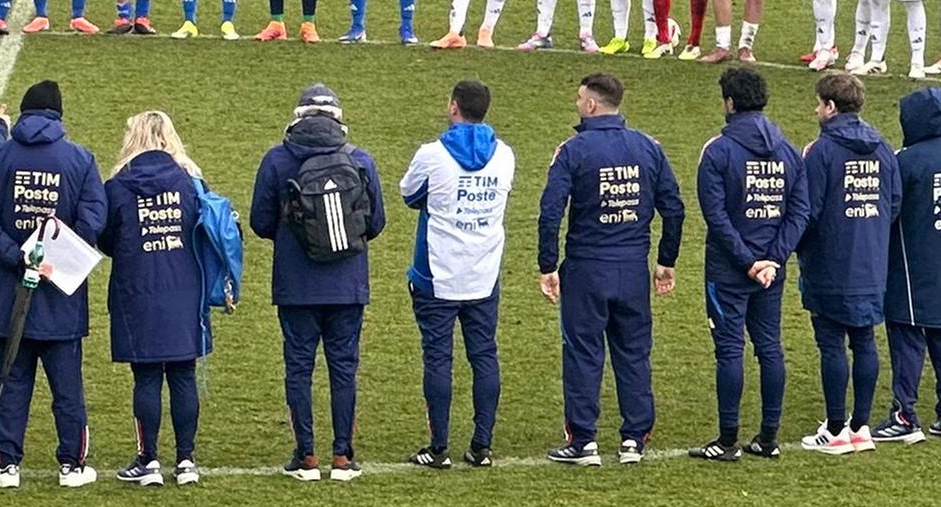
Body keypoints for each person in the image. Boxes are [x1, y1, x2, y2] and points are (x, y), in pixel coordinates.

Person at [535, 69, 680, 464]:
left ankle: (584, 441)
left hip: (586, 268)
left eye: (580, 99)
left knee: (583, 352)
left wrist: (548, 264)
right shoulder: (648, 147)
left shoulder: (573, 150)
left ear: (592, 104)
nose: (577, 104)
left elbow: (550, 212)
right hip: (633, 267)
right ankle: (634, 439)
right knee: (633, 352)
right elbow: (674, 208)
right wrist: (665, 260)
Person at [0, 78, 108, 486]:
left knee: (10, 380)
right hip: (61, 293)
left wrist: (18, 255)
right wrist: (55, 256)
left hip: (8, 292)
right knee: (67, 387)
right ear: (58, 115)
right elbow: (93, 220)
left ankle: (6, 464)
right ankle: (73, 465)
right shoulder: (79, 159)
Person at [252, 83, 385, 476]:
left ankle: (306, 456)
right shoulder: (360, 160)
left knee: (299, 368)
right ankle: (343, 456)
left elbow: (260, 222)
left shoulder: (277, 160)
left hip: (295, 286)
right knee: (344, 368)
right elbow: (375, 223)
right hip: (348, 284)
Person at [399, 77, 512, 466]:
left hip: (437, 273)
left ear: (453, 107)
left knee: (438, 358)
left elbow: (409, 195)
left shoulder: (432, 154)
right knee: (484, 355)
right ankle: (483, 445)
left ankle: (438, 447)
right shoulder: (505, 155)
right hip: (484, 272)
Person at [689, 64, 799, 461]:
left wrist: (748, 261)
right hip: (772, 270)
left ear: (730, 103)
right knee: (770, 347)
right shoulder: (788, 149)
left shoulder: (717, 149)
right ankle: (768, 438)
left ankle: (727, 439)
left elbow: (715, 216)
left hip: (729, 270)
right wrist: (774, 258)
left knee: (730, 350)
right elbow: (798, 211)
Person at [100, 110, 215, 484]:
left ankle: (148, 460)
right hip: (185, 288)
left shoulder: (118, 184)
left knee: (146, 377)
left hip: (137, 289)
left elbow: (104, 239)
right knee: (183, 374)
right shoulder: (191, 182)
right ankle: (186, 461)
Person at [786, 71, 893, 454]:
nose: (816, 110)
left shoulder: (820, 151)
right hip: (872, 261)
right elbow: (892, 204)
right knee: (865, 340)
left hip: (830, 262)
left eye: (819, 103)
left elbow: (807, 210)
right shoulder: (883, 148)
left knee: (831, 344)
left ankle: (834, 430)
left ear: (830, 107)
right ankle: (861, 427)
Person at [881, 85, 941, 440]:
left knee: (906, 337)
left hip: (911, 265)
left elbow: (890, 212)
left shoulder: (905, 161)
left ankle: (904, 415)